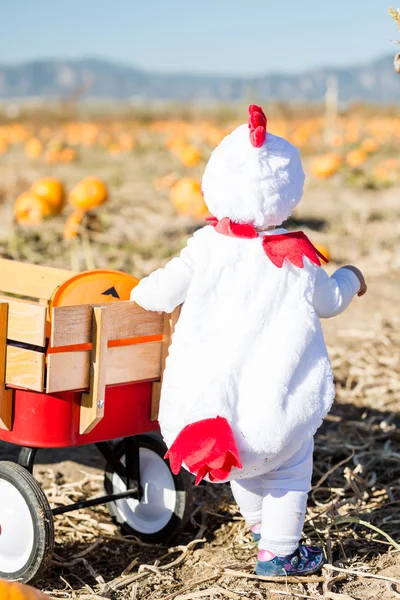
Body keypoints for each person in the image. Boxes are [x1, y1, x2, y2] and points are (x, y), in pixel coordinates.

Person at [131, 105, 367, 576]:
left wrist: (135, 292)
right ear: (289, 191)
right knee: (288, 464)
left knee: (242, 459)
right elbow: (330, 300)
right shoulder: (296, 255)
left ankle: (262, 527)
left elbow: (156, 292)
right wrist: (350, 277)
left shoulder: (204, 247)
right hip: (273, 403)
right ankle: (279, 553)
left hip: (206, 412)